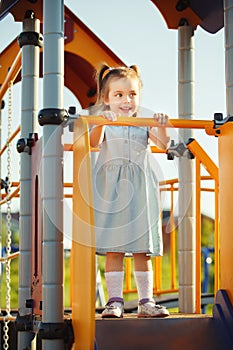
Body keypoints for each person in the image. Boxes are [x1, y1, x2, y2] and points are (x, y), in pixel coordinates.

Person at [89, 63, 170, 318]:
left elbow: (163, 144)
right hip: (113, 190)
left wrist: (162, 125)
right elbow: (93, 142)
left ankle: (146, 301)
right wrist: (101, 121)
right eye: (119, 95)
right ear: (106, 98)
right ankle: (114, 302)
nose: (126, 100)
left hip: (140, 189)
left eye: (132, 94)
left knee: (141, 248)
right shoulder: (105, 121)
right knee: (114, 247)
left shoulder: (143, 122)